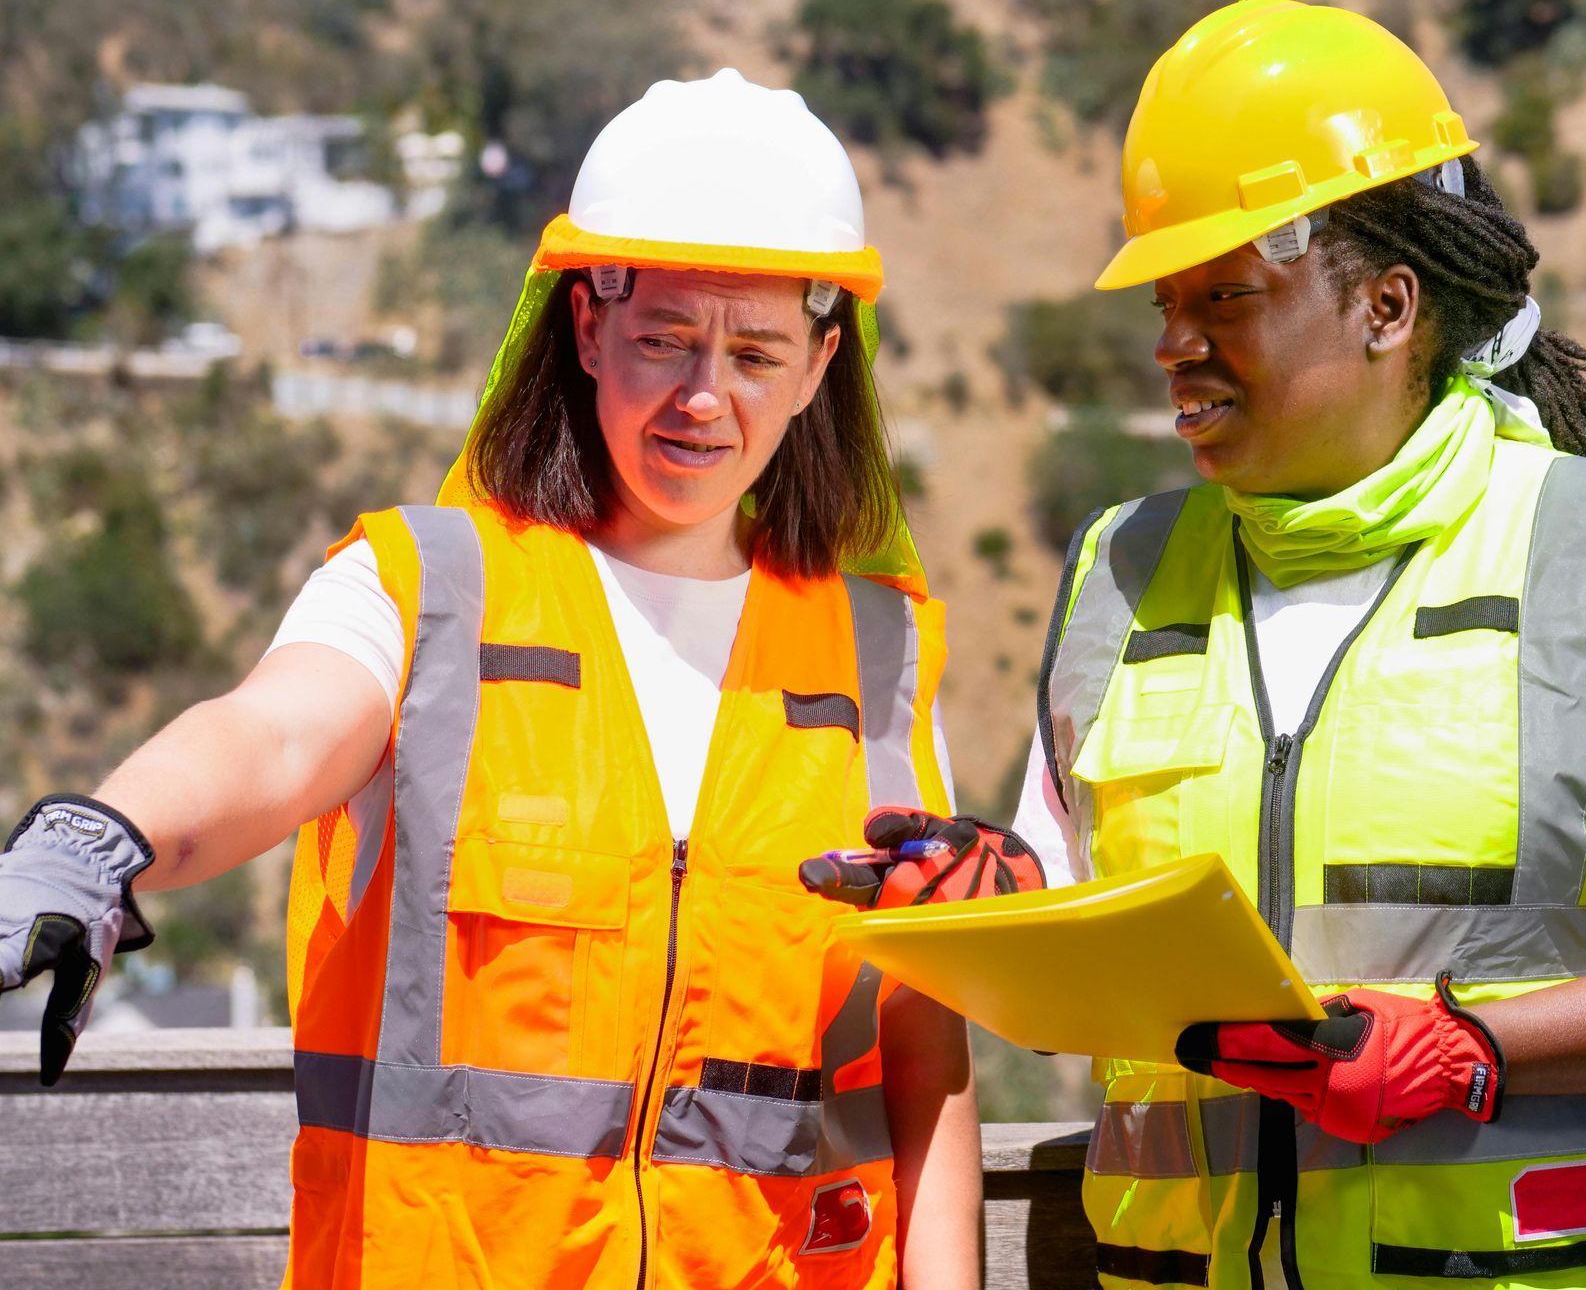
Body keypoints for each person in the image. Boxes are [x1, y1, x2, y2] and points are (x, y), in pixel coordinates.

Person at [0, 69, 990, 1290]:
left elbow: (919, 1055)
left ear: (822, 362)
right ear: (585, 326)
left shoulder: (878, 657)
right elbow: (269, 740)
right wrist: (102, 837)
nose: (703, 397)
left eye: (755, 353)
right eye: (664, 341)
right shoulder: (426, 592)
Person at [1012, 1, 1586, 1290]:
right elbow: (1060, 914)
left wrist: (1476, 1049)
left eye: (1225, 295)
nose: (1174, 344)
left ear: (1388, 305)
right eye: (1168, 301)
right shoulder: (1118, 576)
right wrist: (977, 896)